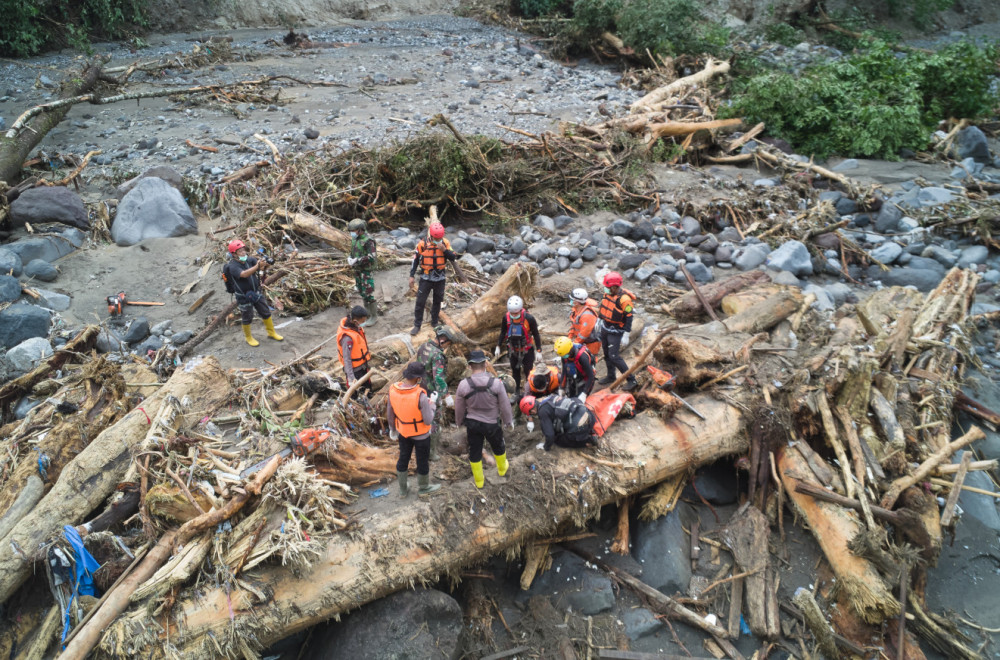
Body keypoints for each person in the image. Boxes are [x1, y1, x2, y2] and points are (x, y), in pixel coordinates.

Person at [454, 349, 514, 489]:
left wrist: (458, 422)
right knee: (498, 446)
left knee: (475, 450)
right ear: (486, 364)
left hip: (473, 424)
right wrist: (508, 422)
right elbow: (505, 405)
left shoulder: (463, 384)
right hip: (492, 423)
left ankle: (479, 481)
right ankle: (502, 469)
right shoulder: (496, 383)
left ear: (469, 366)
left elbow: (459, 406)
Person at [388, 362, 442, 497]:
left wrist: (392, 429)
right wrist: (433, 403)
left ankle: (403, 489)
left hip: (403, 433)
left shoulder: (393, 390)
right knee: (422, 460)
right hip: (421, 435)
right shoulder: (421, 396)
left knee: (403, 458)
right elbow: (428, 420)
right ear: (418, 379)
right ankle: (423, 488)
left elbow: (390, 411)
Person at [223, 239, 283, 347]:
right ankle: (248, 337)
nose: (243, 253)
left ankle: (271, 332)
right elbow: (244, 274)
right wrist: (257, 266)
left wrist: (265, 264)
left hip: (256, 292)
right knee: (247, 316)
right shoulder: (232, 266)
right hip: (243, 296)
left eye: (243, 250)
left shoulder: (250, 260)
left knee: (265, 312)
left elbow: (261, 267)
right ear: (234, 254)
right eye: (240, 251)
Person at [409, 221, 459, 336]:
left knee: (438, 301)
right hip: (426, 278)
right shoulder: (422, 244)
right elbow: (415, 260)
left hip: (440, 278)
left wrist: (444, 250)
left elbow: (453, 257)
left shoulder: (445, 243)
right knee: (420, 302)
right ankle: (417, 325)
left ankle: (435, 322)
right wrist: (411, 276)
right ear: (431, 235)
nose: (439, 239)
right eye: (437, 238)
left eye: (440, 237)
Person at [416, 325, 458, 460]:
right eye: (448, 344)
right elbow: (438, 377)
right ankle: (431, 452)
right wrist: (446, 395)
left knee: (421, 418)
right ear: (443, 340)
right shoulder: (438, 355)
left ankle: (421, 446)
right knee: (433, 420)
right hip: (432, 393)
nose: (447, 347)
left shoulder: (423, 347)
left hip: (420, 389)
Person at [495, 295, 542, 398]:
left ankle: (530, 391)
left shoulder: (529, 318)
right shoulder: (506, 318)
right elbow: (503, 332)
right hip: (513, 350)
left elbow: (536, 334)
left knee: (528, 371)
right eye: (512, 313)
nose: (514, 315)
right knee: (515, 371)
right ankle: (516, 392)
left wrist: (539, 350)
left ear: (520, 310)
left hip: (527, 350)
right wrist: (498, 346)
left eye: (516, 313)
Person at [597, 272, 637, 391]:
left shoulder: (625, 300)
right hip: (605, 327)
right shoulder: (608, 294)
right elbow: (604, 307)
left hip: (616, 330)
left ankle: (631, 379)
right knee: (606, 354)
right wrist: (599, 321)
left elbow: (629, 317)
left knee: (614, 356)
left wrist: (626, 333)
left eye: (608, 287)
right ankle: (611, 376)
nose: (606, 289)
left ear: (614, 287)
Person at [519, 394, 598, 452]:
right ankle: (590, 430)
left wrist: (546, 446)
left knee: (558, 440)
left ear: (532, 411)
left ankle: (588, 441)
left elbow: (550, 436)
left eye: (530, 413)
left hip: (580, 427)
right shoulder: (550, 398)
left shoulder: (542, 412)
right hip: (590, 417)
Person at [347, 218, 378, 327]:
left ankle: (374, 316)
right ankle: (367, 314)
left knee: (368, 293)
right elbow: (353, 252)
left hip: (366, 271)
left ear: (360, 230)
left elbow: (372, 257)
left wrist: (358, 260)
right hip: (358, 270)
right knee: (361, 291)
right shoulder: (355, 240)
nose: (352, 233)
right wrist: (350, 258)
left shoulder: (368, 240)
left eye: (354, 230)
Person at [336, 306, 372, 396]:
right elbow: (346, 359)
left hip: (363, 366)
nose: (364, 323)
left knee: (368, 389)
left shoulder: (354, 327)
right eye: (363, 321)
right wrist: (351, 378)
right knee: (356, 394)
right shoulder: (347, 338)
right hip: (355, 371)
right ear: (356, 321)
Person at [568, 287, 602, 362]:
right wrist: (569, 339)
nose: (570, 301)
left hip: (591, 344)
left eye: (572, 299)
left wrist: (574, 344)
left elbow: (584, 334)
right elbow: (574, 325)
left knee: (588, 362)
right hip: (582, 342)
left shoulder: (587, 315)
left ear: (577, 302)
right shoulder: (577, 310)